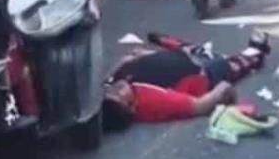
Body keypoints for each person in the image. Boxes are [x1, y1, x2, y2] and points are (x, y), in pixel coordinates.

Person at [103, 30, 270, 124]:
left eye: (110, 92)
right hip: (202, 75)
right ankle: (254, 53)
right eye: (119, 96)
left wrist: (141, 57)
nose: (116, 89)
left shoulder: (117, 82)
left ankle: (177, 46)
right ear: (131, 108)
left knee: (191, 51)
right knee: (229, 64)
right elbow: (199, 106)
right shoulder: (155, 101)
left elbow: (125, 63)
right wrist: (223, 90)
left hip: (175, 60)